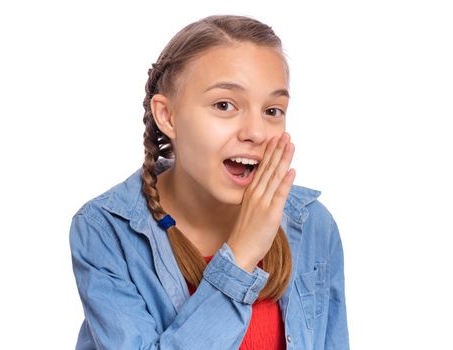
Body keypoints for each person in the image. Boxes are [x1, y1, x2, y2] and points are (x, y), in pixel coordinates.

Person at [69, 14, 349, 350]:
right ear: (167, 116)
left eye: (273, 110)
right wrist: (242, 256)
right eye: (225, 105)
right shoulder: (106, 230)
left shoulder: (314, 224)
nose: (256, 133)